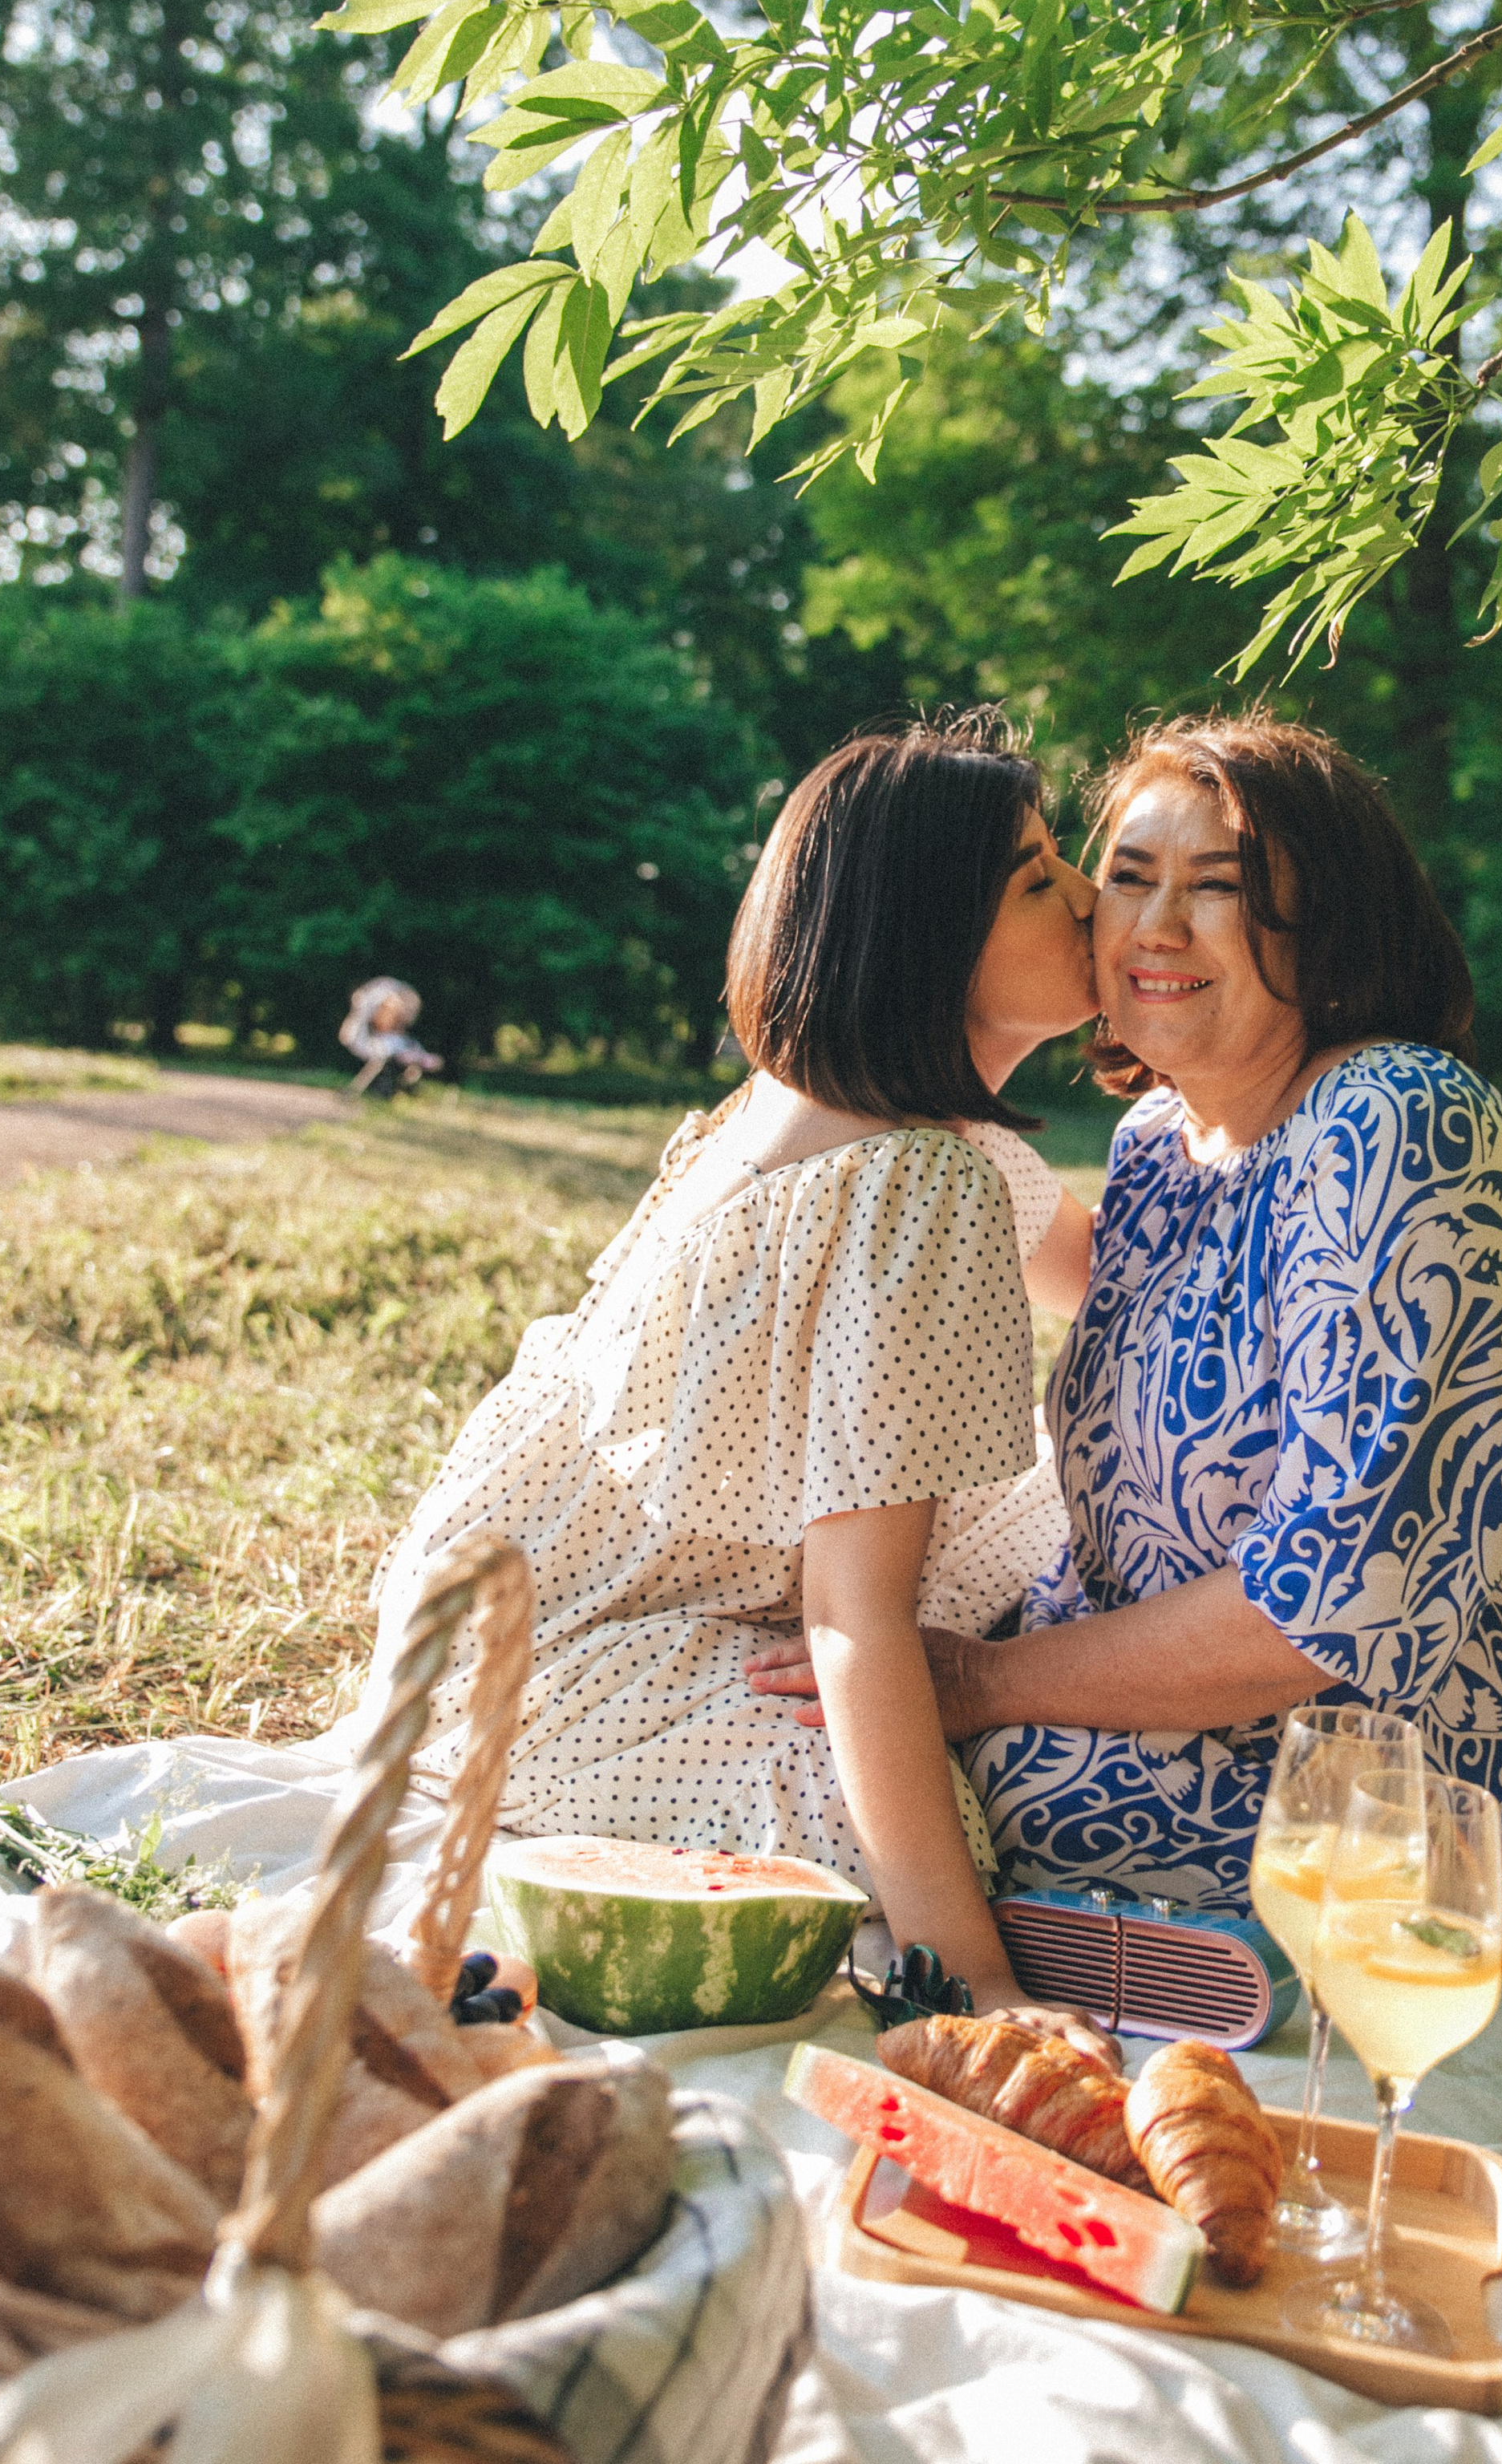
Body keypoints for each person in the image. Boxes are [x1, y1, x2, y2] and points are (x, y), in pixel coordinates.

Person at [753, 712, 1502, 1964]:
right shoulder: (1158, 1145)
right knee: (821, 1729)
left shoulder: (1398, 1124)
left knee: (893, 1794)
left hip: (1434, 1780)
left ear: (1328, 923)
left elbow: (1332, 1608)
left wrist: (981, 1685)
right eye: (1127, 879)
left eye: (1220, 891)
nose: (1155, 929)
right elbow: (965, 1190)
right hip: (1145, 1693)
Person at [357, 713, 1101, 2036]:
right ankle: (978, 1932)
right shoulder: (908, 1180)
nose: (1093, 902)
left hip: (473, 1621)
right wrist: (975, 1979)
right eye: (1042, 879)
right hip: (571, 1665)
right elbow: (850, 1614)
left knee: (1048, 1512)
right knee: (917, 1795)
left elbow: (1109, 1284)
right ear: (931, 939)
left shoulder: (838, 1107)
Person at [339, 978, 443, 1100]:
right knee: (383, 1059)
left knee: (400, 1063)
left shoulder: (399, 1040)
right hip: (368, 1049)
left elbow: (424, 1058)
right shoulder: (362, 1032)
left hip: (390, 1061)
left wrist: (422, 1059)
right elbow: (350, 1037)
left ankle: (403, 1088)